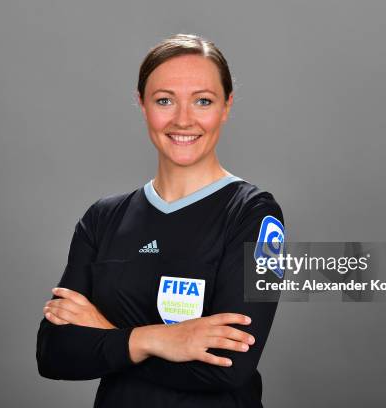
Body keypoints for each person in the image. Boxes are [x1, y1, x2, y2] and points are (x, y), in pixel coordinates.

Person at [36, 33, 285, 408]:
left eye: (203, 101)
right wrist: (160, 340)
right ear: (141, 104)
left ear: (226, 106)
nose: (183, 119)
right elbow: (54, 353)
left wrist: (107, 334)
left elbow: (229, 367)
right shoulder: (102, 219)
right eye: (164, 100)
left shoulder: (253, 214)